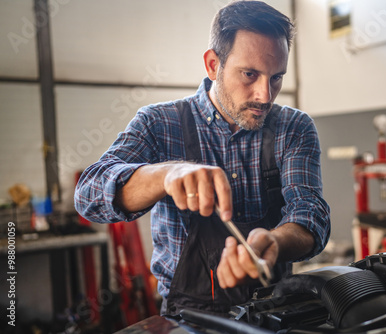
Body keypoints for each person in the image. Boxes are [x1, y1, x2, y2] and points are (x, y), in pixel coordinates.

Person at [75, 0, 331, 317]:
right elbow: (88, 194)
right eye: (250, 74)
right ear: (212, 65)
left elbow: (310, 214)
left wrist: (276, 241)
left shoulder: (294, 128)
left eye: (276, 77)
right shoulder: (158, 123)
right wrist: (163, 176)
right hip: (187, 317)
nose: (265, 95)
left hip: (276, 312)